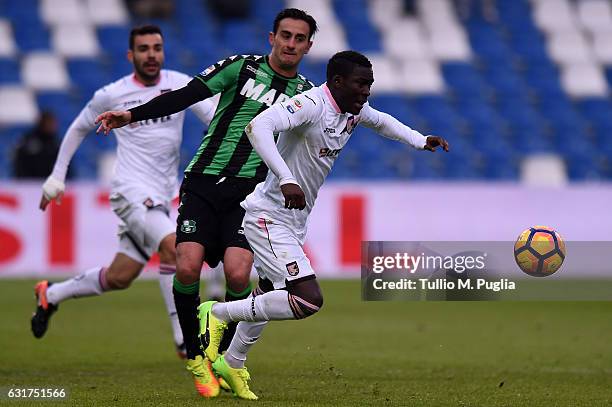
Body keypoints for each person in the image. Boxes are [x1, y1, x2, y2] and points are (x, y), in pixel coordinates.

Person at [197, 50, 450, 400]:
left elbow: (383, 122)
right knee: (306, 299)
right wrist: (285, 178)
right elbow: (258, 127)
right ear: (337, 82)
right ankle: (218, 312)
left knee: (272, 293)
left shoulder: (353, 112)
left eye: (370, 85)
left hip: (295, 219)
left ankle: (232, 361)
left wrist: (420, 140)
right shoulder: (311, 104)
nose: (366, 92)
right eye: (361, 84)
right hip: (268, 215)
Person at [94, 8, 318, 398]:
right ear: (272, 37)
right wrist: (130, 114)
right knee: (187, 265)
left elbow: (316, 146)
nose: (291, 44)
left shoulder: (306, 96)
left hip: (251, 195)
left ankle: (220, 353)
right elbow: (184, 97)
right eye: (285, 36)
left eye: (299, 39)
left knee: (236, 274)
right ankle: (195, 355)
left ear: (308, 46)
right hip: (203, 183)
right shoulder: (240, 68)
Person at [31, 25, 218, 361]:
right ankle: (184, 341)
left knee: (119, 276)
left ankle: (51, 294)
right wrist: (56, 177)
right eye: (143, 49)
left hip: (162, 197)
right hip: (130, 191)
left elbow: (214, 116)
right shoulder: (112, 94)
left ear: (163, 51)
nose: (151, 55)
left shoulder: (179, 85)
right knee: (173, 248)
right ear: (131, 55)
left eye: (157, 48)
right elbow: (77, 128)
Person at [13, 111, 62, 179]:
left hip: (50, 182)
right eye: (49, 123)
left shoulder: (56, 142)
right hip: (29, 183)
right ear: (42, 123)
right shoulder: (28, 140)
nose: (52, 126)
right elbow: (19, 162)